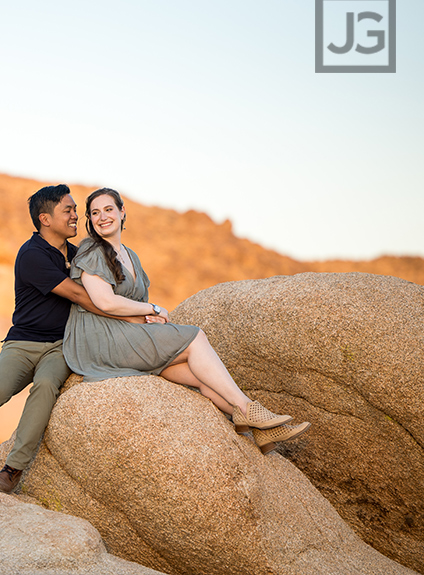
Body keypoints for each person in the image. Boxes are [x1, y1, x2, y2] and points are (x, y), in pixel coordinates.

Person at [0, 185, 145, 491]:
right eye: (69, 210)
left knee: (46, 386)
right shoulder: (32, 255)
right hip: (23, 343)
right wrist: (130, 315)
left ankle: (12, 470)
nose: (77, 216)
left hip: (61, 346)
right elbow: (78, 293)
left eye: (76, 210)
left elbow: (105, 291)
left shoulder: (78, 255)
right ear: (45, 218)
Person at [62, 187, 310, 454]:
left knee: (201, 377)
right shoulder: (90, 250)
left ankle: (261, 431)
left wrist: (148, 319)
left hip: (127, 333)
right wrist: (153, 308)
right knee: (195, 336)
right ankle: (251, 410)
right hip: (101, 339)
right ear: (90, 219)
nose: (102, 217)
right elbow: (105, 302)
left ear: (122, 212)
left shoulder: (129, 255)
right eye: (95, 213)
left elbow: (129, 305)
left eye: (108, 210)